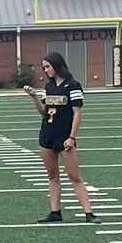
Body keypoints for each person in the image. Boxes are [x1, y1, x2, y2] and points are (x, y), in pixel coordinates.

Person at [22, 51, 102, 224]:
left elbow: (77, 113)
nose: (45, 70)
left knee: (74, 176)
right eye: (43, 67)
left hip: (64, 136)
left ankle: (89, 213)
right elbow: (44, 112)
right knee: (52, 175)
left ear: (57, 65)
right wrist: (34, 97)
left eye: (48, 66)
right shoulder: (48, 88)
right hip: (47, 135)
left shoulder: (73, 86)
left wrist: (72, 137)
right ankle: (55, 211)